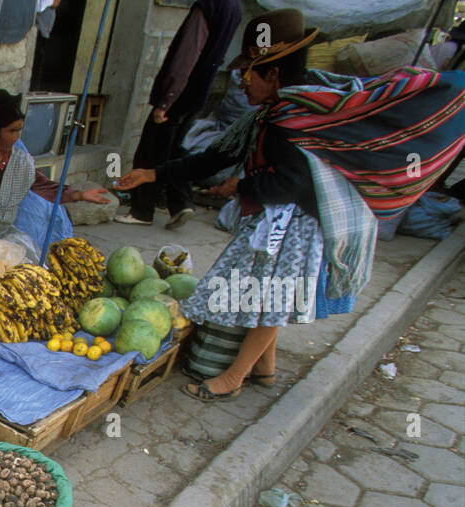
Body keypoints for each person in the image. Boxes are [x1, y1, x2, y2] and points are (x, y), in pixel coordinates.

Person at [116, 9, 465, 402]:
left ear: (275, 75)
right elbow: (214, 156)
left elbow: (291, 183)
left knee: (269, 301)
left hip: (296, 226)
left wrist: (241, 185)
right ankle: (264, 369)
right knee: (267, 295)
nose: (241, 81)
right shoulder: (277, 111)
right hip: (276, 219)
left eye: (251, 73)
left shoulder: (290, 121)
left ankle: (234, 377)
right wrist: (153, 174)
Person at [0, 89, 110, 249]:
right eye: (11, 131)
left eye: (19, 130)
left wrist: (79, 195)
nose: (16, 137)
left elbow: (45, 186)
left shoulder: (22, 162)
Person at [117, 0, 243, 229]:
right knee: (174, 151)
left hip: (179, 94)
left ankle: (142, 211)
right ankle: (181, 203)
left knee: (151, 152)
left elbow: (186, 56)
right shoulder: (234, 7)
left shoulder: (209, 6)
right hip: (197, 95)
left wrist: (165, 101)